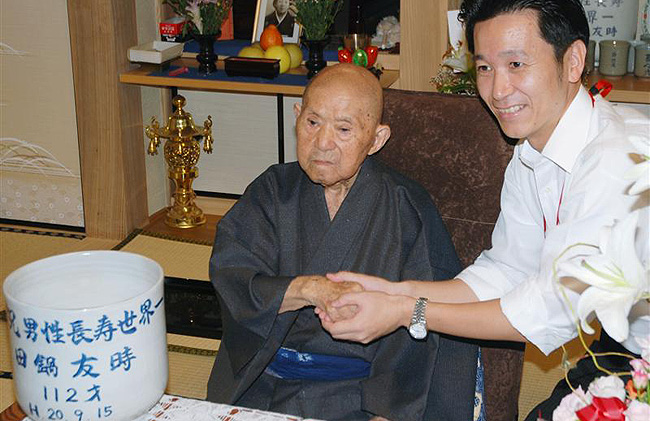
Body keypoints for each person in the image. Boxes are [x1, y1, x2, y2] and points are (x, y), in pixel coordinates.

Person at [317, 1, 650, 420]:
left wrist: (406, 312)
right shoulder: (531, 152)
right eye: (486, 68)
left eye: (516, 64)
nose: (497, 90)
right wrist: (394, 291)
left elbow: (551, 309)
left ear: (573, 61)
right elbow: (507, 271)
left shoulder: (617, 161)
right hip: (623, 351)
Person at [206, 64, 478, 421]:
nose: (322, 143)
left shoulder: (405, 207)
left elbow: (429, 318)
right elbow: (232, 276)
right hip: (259, 382)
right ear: (297, 116)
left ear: (377, 139)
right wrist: (308, 288)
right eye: (313, 123)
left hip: (356, 399)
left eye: (344, 129)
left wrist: (388, 413)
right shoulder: (272, 192)